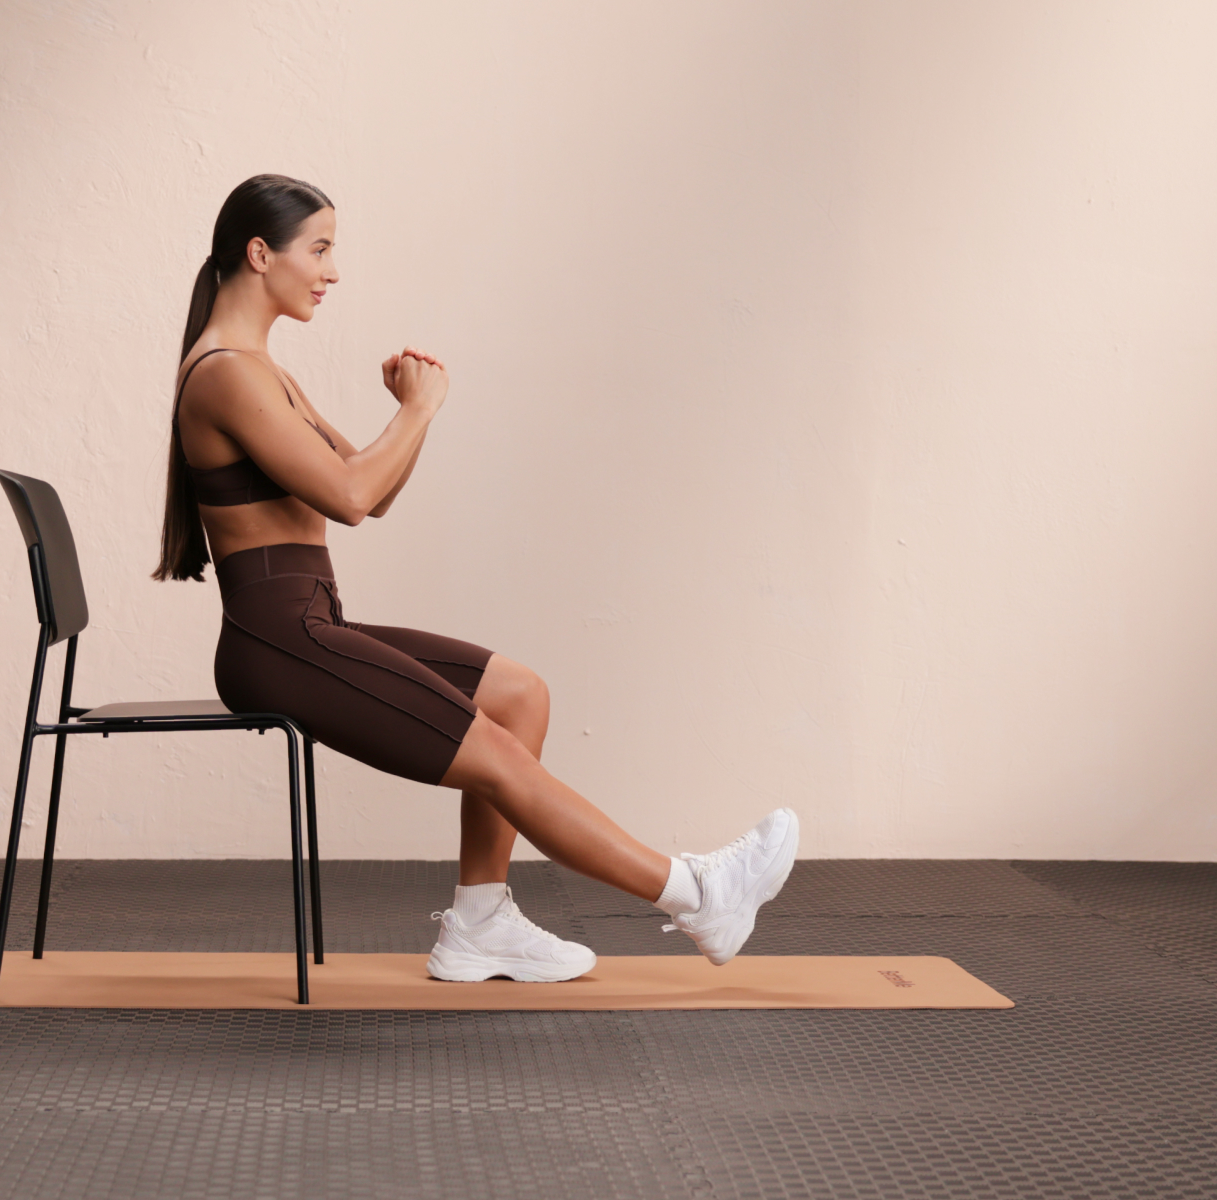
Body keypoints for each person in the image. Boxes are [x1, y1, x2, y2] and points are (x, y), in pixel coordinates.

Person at [155, 174, 798, 982]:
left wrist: (414, 410)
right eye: (318, 248)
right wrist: (418, 411)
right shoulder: (227, 373)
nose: (332, 270)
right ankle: (697, 894)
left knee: (519, 693)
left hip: (309, 623)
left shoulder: (259, 368)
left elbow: (368, 487)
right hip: (277, 640)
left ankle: (482, 920)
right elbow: (352, 497)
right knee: (494, 754)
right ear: (260, 253)